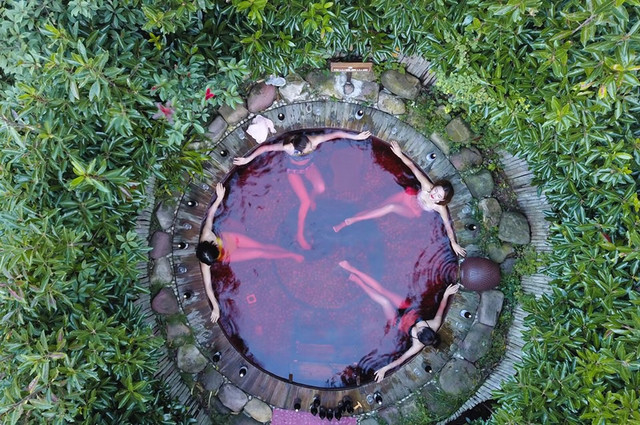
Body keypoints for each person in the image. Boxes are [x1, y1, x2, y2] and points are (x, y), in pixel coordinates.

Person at [233, 130, 372, 249]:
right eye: (307, 149)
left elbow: (336, 134)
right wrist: (247, 159)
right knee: (304, 202)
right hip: (294, 171)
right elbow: (266, 148)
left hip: (309, 167)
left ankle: (312, 199)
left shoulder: (315, 140)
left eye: (310, 146)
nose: (311, 148)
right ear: (297, 150)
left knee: (321, 188)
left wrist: (356, 137)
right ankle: (300, 234)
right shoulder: (288, 147)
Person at [333, 140, 466, 256]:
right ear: (435, 186)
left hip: (413, 211)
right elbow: (412, 167)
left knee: (390, 208)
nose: (434, 194)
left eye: (438, 196)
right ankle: (351, 220)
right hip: (407, 196)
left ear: (441, 200)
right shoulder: (427, 186)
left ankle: (352, 220)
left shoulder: (440, 207)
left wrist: (453, 243)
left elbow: (448, 226)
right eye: (436, 190)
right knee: (379, 207)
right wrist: (399, 154)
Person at [337, 260, 460, 383]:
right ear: (428, 328)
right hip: (408, 310)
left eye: (417, 331)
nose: (418, 327)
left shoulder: (417, 345)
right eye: (422, 327)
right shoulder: (434, 324)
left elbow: (401, 360)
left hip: (397, 321)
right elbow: (441, 308)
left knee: (384, 302)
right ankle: (352, 269)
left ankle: (358, 281)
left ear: (418, 338)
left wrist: (384, 369)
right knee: (382, 290)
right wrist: (446, 295)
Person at [197, 182, 304, 323]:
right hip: (229, 255)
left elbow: (210, 215)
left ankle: (287, 252)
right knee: (260, 253)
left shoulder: (206, 234)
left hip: (231, 240)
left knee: (261, 246)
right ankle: (291, 254)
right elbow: (208, 286)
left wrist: (219, 198)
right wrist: (216, 307)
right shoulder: (206, 263)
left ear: (211, 244)